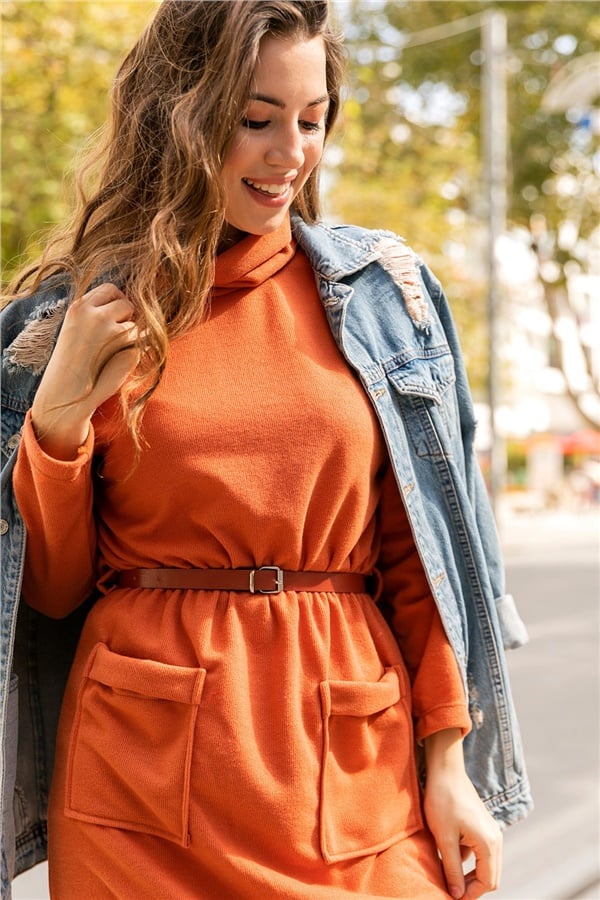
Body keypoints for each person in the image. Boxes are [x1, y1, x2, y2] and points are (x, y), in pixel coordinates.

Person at [0, 2, 532, 898]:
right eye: (256, 121)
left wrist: (451, 765)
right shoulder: (68, 323)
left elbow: (421, 559)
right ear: (181, 115)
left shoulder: (379, 300)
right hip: (136, 792)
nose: (291, 152)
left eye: (312, 119)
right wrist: (56, 420)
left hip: (353, 762)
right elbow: (50, 594)